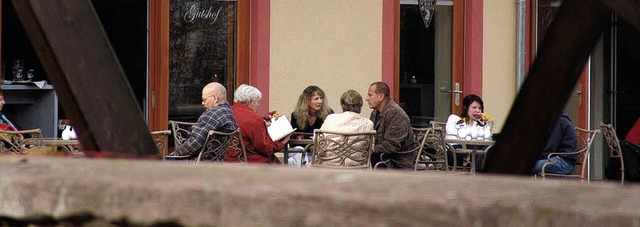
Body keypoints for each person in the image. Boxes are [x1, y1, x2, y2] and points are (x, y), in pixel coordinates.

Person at [167, 82, 238, 159]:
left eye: (204, 100)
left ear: (215, 98)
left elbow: (195, 142)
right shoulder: (229, 113)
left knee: (162, 163)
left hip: (199, 161)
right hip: (216, 159)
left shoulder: (212, 114)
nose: (202, 103)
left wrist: (175, 154)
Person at [224, 84, 290, 164]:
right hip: (250, 162)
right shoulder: (254, 119)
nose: (259, 106)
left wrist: (262, 125)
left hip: (229, 158)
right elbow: (266, 149)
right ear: (249, 102)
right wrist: (282, 143)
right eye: (258, 102)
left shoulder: (227, 112)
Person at [366, 81, 416, 169]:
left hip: (397, 162)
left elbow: (392, 145)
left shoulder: (396, 114)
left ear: (381, 96)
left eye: (370, 95)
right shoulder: (375, 113)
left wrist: (371, 148)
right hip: (381, 157)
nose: (367, 98)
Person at [319, 90, 374, 166]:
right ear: (360, 106)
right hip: (357, 167)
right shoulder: (368, 123)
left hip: (329, 165)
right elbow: (371, 148)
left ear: (342, 105)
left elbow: (319, 142)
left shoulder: (330, 119)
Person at [288, 85, 333, 165]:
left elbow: (331, 135)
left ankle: (304, 173)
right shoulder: (296, 115)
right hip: (301, 151)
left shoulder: (328, 114)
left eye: (321, 98)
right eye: (316, 99)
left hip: (320, 150)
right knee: (299, 152)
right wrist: (309, 146)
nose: (320, 101)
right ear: (307, 101)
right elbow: (293, 138)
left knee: (291, 161)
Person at [444, 94, 487, 171]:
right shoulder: (455, 120)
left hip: (474, 152)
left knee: (486, 149)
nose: (477, 110)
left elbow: (486, 139)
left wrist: (483, 125)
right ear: (466, 108)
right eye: (474, 107)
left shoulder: (480, 125)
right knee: (485, 149)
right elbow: (453, 141)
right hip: (454, 152)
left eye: (479, 108)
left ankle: (478, 172)